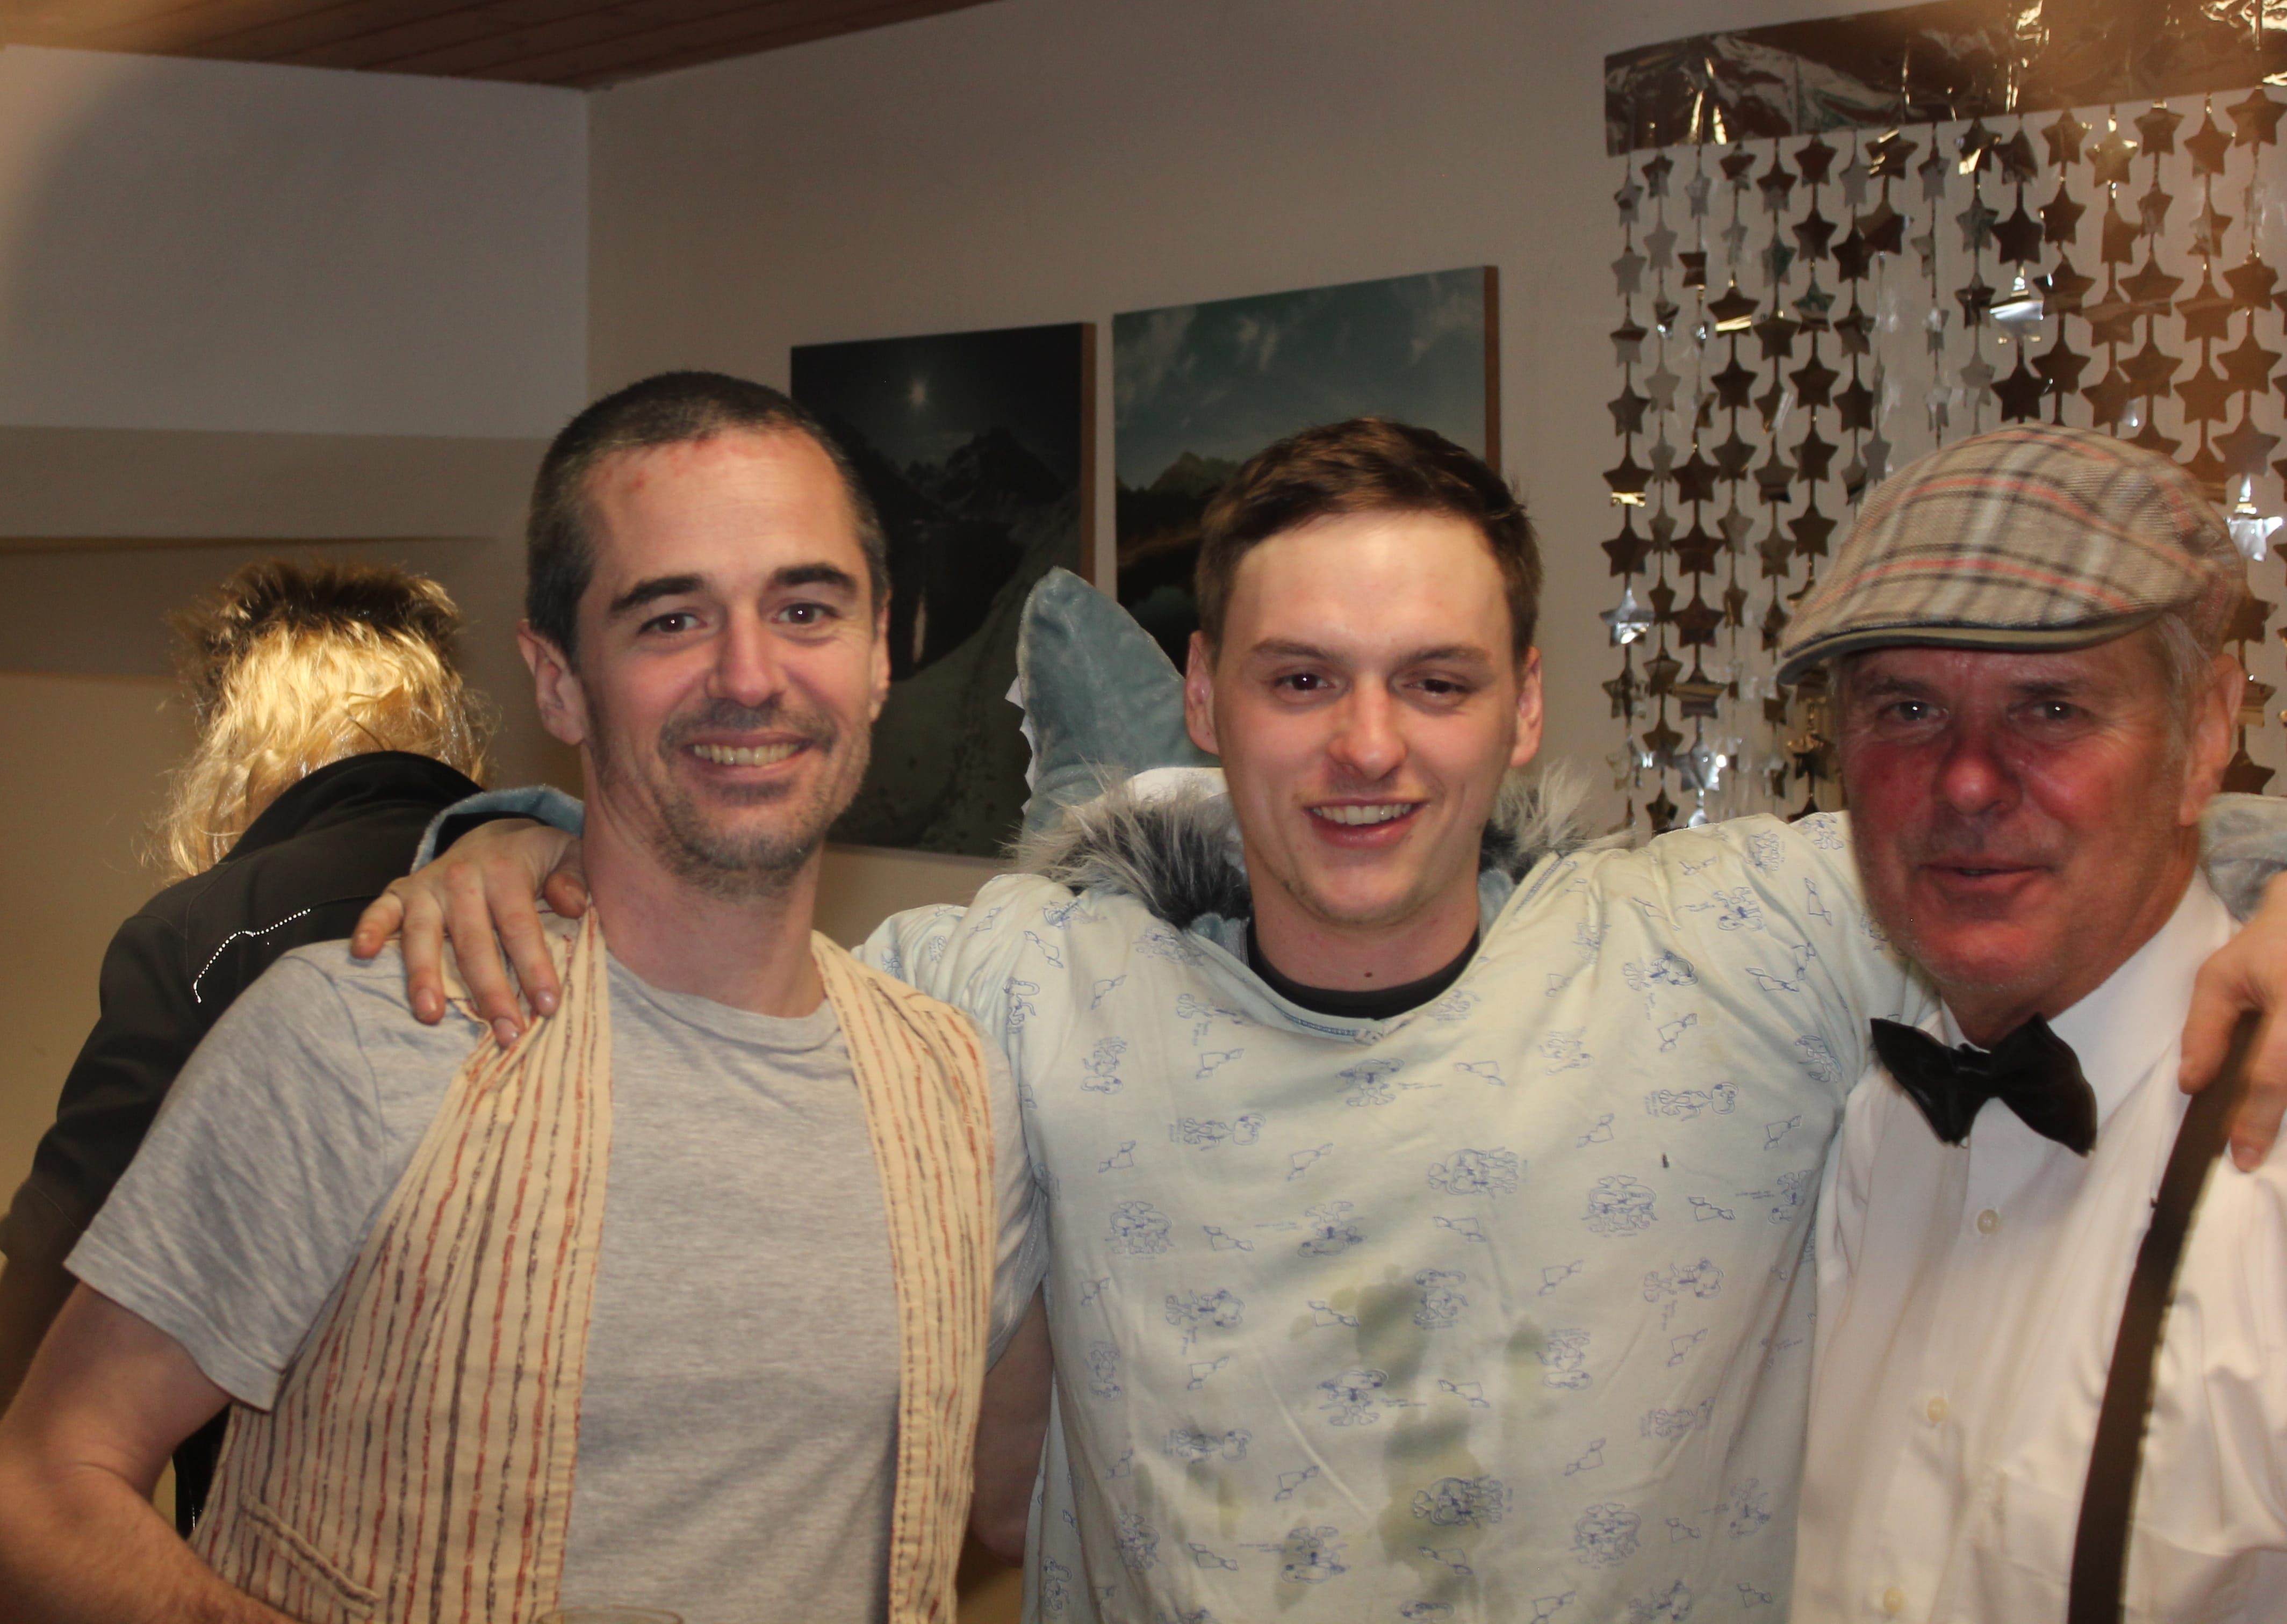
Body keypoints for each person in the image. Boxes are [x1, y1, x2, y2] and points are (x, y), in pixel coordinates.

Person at [370, 416, 2287, 1621]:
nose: (1369, 748)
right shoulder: (1032, 988)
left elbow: (2110, 842)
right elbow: (724, 942)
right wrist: (519, 835)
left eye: (1434, 682)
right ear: (1202, 697)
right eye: (1302, 681)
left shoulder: (1748, 946)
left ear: (1524, 706)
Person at [0, 373, 1041, 1624]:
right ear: (559, 680)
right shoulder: (360, 1040)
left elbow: (1001, 1501)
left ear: (880, 651)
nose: (750, 675)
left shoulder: (958, 1093)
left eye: (804, 609)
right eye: (670, 619)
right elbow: (25, 1503)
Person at [1784, 424, 2287, 1620]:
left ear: (2205, 732)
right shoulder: (1867, 1130)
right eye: (1908, 708)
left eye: (2051, 708)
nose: (1967, 780)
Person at [0, 559, 490, 1529]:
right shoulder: (562, 895)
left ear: (242, 744)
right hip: (522, 1507)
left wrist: (61, 1490)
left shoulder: (202, 931)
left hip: (270, 1524)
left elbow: (62, 1249)